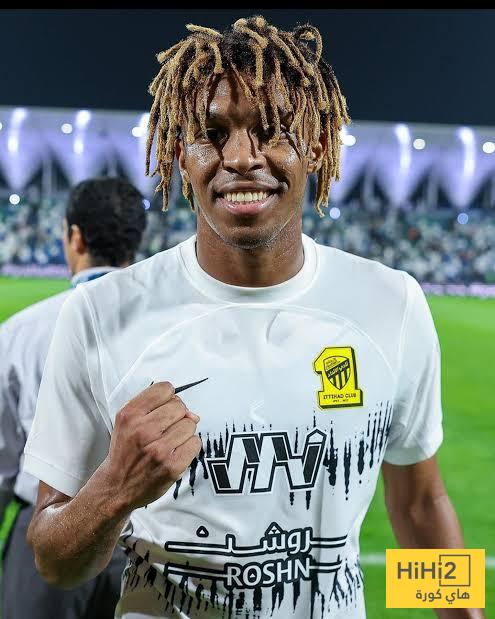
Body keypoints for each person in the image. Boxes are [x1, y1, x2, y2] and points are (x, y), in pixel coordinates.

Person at [23, 16, 483, 619]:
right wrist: (114, 489)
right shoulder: (99, 313)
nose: (241, 157)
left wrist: (463, 616)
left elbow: (418, 506)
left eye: (273, 131)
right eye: (211, 134)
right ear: (179, 155)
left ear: (317, 146)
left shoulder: (391, 303)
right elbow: (55, 563)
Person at [0, 177, 147, 619]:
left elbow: (2, 459)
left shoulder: (22, 331)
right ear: (135, 242)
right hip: (144, 536)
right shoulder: (169, 332)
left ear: (76, 236)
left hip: (46, 533)